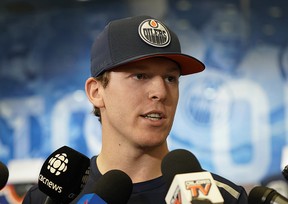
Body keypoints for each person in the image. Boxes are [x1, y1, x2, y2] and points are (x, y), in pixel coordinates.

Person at [23, 15, 248, 203]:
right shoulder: (48, 199)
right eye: (140, 76)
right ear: (96, 92)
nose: (160, 92)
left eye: (171, 78)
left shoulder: (224, 198)